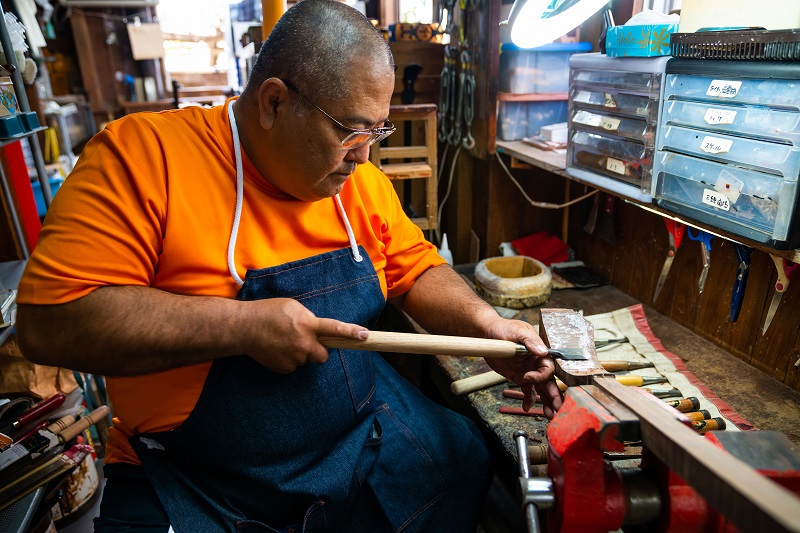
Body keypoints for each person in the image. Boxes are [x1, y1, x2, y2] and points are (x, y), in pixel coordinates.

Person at [16, 0, 562, 531]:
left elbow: (415, 267)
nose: (366, 157)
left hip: (355, 435)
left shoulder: (360, 182)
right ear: (274, 102)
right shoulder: (143, 157)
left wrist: (487, 327)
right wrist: (244, 327)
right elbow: (50, 321)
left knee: (462, 458)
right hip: (198, 474)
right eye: (351, 131)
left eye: (378, 132)